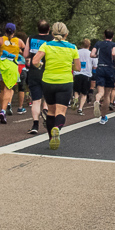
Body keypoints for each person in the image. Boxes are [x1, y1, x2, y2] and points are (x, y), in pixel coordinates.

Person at [31, 21, 78, 150]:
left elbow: (34, 61)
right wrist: (69, 65)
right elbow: (78, 67)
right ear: (66, 34)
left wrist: (40, 65)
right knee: (61, 111)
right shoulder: (73, 48)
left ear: (52, 33)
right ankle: (57, 128)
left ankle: (51, 138)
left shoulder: (46, 45)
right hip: (65, 82)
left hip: (48, 81)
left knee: (51, 111)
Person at [25, 21, 51, 134]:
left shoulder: (31, 38)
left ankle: (35, 125)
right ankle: (45, 111)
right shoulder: (51, 40)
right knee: (48, 98)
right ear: (49, 29)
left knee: (36, 100)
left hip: (34, 71)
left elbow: (25, 54)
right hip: (47, 71)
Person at [0, 23, 22, 124]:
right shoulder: (19, 41)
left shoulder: (0, 39)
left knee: (2, 89)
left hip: (1, 66)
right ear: (14, 31)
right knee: (8, 89)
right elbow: (25, 52)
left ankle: (3, 108)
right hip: (11, 67)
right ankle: (3, 110)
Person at [92, 30, 115, 123]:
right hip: (109, 69)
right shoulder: (114, 45)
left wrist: (97, 56)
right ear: (113, 36)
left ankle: (97, 99)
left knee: (100, 91)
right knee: (107, 94)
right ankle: (103, 117)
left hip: (100, 68)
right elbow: (113, 53)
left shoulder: (98, 44)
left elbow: (92, 54)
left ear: (104, 35)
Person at [74, 38, 94, 115]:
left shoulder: (77, 52)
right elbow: (95, 65)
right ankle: (80, 108)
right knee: (84, 93)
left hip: (77, 73)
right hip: (87, 74)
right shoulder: (90, 53)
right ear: (89, 45)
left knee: (76, 91)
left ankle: (75, 100)